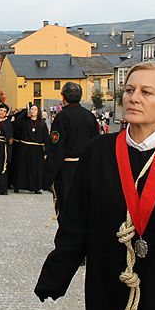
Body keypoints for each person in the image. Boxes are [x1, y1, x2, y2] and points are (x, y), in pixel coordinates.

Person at [35, 61, 155, 310]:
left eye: (147, 92)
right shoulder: (98, 151)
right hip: (110, 288)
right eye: (130, 90)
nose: (134, 98)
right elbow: (76, 222)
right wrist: (56, 274)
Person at [42, 81, 99, 218]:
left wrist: (47, 176)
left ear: (63, 97)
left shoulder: (61, 117)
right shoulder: (90, 117)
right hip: (86, 168)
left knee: (66, 206)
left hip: (67, 169)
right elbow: (97, 143)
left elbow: (56, 147)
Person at [11, 105, 48, 193]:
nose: (33, 111)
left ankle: (35, 188)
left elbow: (46, 138)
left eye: (35, 109)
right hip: (24, 147)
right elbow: (16, 123)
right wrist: (24, 112)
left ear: (38, 111)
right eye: (32, 109)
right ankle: (18, 186)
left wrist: (46, 152)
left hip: (37, 149)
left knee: (35, 169)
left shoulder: (42, 123)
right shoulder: (24, 121)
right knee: (22, 167)